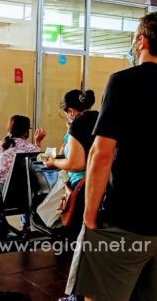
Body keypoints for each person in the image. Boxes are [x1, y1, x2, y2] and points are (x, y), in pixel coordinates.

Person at [65, 12, 157, 301]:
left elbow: (102, 153)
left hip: (126, 224)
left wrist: (90, 214)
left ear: (141, 41)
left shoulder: (123, 82)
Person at [43, 89, 98, 233]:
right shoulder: (99, 118)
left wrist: (53, 162)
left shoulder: (79, 124)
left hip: (81, 187)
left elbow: (75, 164)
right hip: (101, 184)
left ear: (71, 111)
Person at [0, 115, 45, 188]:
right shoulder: (30, 148)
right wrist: (37, 142)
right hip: (16, 192)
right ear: (26, 132)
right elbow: (37, 163)